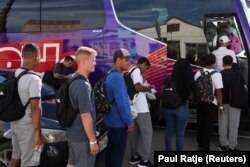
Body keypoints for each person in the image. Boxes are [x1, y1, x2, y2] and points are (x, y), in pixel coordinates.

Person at [9, 43, 46, 167]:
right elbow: (35, 108)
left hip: (14, 123)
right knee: (29, 163)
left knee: (15, 158)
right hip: (27, 127)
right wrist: (37, 133)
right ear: (36, 56)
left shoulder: (15, 73)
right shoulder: (33, 79)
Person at [66, 47, 99, 167]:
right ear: (84, 61)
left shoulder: (73, 77)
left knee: (71, 164)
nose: (95, 63)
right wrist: (93, 141)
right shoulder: (83, 85)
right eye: (93, 60)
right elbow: (85, 115)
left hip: (73, 133)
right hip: (82, 137)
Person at [104, 48, 134, 167]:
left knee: (110, 154)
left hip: (110, 122)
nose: (129, 62)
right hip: (118, 124)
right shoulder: (117, 78)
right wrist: (129, 122)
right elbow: (122, 103)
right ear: (118, 60)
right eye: (126, 60)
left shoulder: (110, 74)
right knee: (117, 156)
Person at [163, 59, 194, 151]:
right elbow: (190, 97)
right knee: (180, 134)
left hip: (168, 108)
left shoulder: (168, 79)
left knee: (168, 132)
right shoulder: (187, 80)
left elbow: (162, 92)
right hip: (181, 108)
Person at [194, 53, 223, 151]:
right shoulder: (217, 74)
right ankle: (206, 148)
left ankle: (200, 145)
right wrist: (221, 106)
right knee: (208, 127)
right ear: (214, 62)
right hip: (212, 104)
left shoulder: (198, 73)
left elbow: (195, 88)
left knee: (200, 124)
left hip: (200, 103)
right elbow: (218, 92)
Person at [128, 57, 154, 167]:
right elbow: (137, 87)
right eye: (146, 68)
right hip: (141, 108)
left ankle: (135, 157)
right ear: (142, 64)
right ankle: (144, 160)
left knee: (134, 133)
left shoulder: (130, 71)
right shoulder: (137, 70)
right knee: (147, 133)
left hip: (132, 108)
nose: (145, 70)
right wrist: (149, 90)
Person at [218, 55, 246, 151]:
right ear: (232, 63)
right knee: (233, 126)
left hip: (223, 103)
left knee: (223, 124)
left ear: (223, 63)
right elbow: (243, 87)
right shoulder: (238, 74)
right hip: (236, 103)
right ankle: (232, 146)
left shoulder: (220, 74)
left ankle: (222, 145)